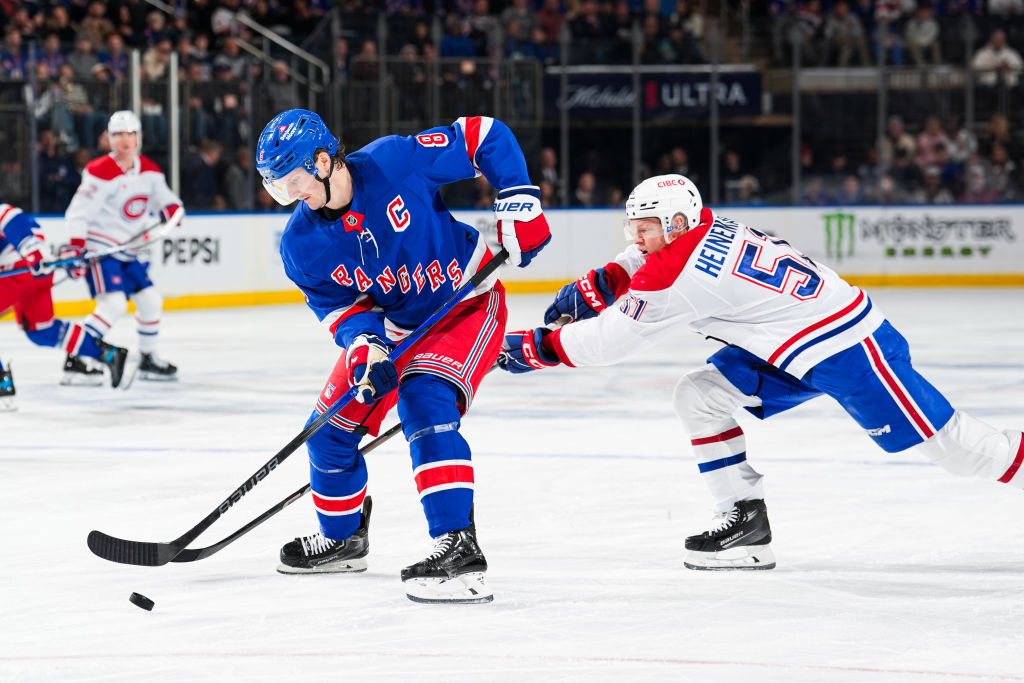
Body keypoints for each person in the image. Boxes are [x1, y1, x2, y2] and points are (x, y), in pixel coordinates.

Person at [500, 174, 1024, 571]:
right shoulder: (702, 226)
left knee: (958, 451)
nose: (638, 237)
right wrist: (603, 282)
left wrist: (532, 347)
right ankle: (746, 522)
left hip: (849, 348)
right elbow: (640, 264)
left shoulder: (676, 275)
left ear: (677, 225)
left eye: (648, 228)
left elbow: (606, 344)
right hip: (791, 345)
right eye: (633, 227)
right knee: (700, 395)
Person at [256, 109, 550, 603]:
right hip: (395, 328)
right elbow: (341, 309)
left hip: (464, 305)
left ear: (324, 161)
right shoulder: (301, 245)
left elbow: (482, 135)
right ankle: (343, 538)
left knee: (424, 400)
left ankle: (457, 546)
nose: (291, 198)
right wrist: (366, 348)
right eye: (278, 189)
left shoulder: (394, 162)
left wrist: (518, 200)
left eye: (294, 182)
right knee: (327, 431)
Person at [63, 110, 184, 384]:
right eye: (118, 135)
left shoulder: (150, 170)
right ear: (109, 139)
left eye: (130, 133)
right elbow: (78, 213)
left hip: (129, 251)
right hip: (102, 250)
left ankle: (147, 359)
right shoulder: (99, 171)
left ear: (138, 137)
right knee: (113, 305)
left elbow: (166, 200)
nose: (125, 140)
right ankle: (76, 360)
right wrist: (75, 247)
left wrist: (172, 211)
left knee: (151, 301)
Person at [0, 202, 136, 409]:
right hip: (33, 270)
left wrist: (32, 249)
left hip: (22, 263)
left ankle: (2, 384)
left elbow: (7, 214)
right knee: (42, 331)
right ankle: (108, 354)